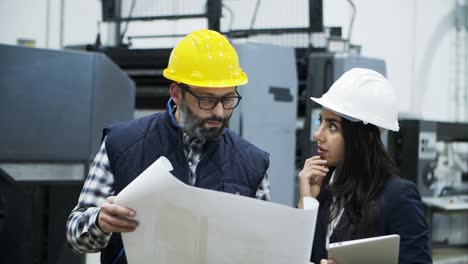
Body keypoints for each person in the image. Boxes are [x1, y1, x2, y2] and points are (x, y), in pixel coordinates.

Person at [66, 29, 271, 264]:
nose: (219, 111)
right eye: (207, 100)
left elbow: (261, 249)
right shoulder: (121, 144)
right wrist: (100, 222)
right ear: (177, 93)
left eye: (228, 99)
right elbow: (75, 235)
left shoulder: (252, 163)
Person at [298, 68, 432, 264]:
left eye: (332, 126)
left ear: (366, 138)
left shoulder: (397, 197)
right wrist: (306, 204)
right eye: (321, 122)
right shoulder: (321, 190)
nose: (317, 135)